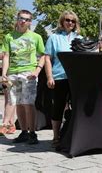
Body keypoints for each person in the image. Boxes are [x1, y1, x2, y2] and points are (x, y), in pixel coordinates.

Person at [1, 10, 45, 144]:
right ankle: (24, 132)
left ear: (30, 22)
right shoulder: (9, 36)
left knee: (28, 103)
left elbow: (43, 55)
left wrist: (37, 71)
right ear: (17, 19)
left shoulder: (36, 37)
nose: (23, 21)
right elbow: (6, 56)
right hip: (13, 73)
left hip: (28, 73)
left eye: (26, 19)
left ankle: (32, 133)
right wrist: (4, 73)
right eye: (21, 18)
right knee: (18, 103)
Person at [44, 10, 81, 148]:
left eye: (72, 21)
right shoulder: (53, 38)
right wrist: (49, 76)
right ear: (62, 21)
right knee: (58, 107)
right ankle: (55, 136)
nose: (70, 23)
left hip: (75, 78)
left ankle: (73, 135)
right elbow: (47, 58)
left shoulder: (79, 38)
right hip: (59, 77)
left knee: (76, 107)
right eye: (67, 20)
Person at [0, 51, 17, 135]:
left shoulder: (7, 39)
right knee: (8, 98)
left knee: (10, 98)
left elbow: (4, 55)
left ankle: (9, 124)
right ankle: (10, 124)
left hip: (8, 71)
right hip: (4, 71)